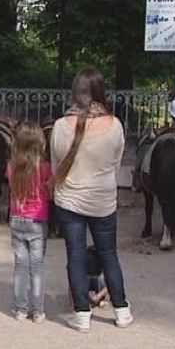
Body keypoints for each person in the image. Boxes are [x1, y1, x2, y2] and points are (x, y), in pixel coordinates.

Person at [50, 67, 133, 333]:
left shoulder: (61, 127)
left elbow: (55, 167)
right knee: (109, 254)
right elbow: (116, 163)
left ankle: (82, 314)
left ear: (74, 93)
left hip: (70, 200)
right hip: (103, 200)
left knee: (75, 254)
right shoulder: (115, 125)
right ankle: (122, 310)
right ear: (100, 92)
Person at [6, 121, 52, 324]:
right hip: (37, 220)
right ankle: (38, 310)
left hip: (16, 218)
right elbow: (50, 192)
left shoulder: (11, 166)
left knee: (20, 266)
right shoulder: (44, 168)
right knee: (37, 266)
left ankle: (20, 309)